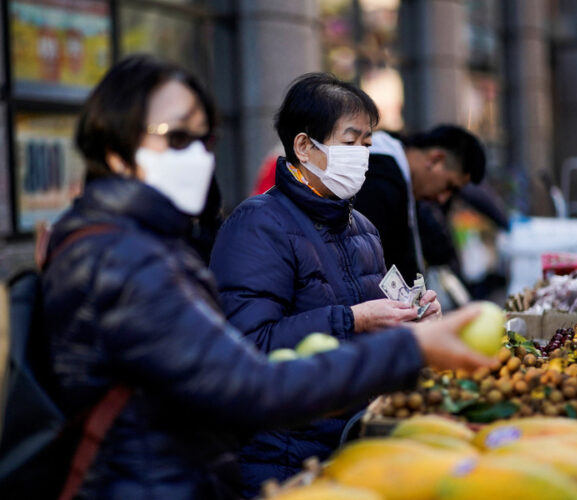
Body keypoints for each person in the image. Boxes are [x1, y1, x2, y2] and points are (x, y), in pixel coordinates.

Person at [41, 55, 494, 499]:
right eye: (176, 137)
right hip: (202, 473)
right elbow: (250, 378)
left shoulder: (155, 244)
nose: (197, 155)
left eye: (204, 138)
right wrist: (401, 344)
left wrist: (407, 318)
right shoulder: (128, 256)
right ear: (114, 149)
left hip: (287, 452)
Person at [209, 73, 443, 494]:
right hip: (282, 455)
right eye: (350, 142)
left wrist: (414, 320)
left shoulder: (363, 227)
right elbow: (246, 345)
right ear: (304, 147)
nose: (362, 155)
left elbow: (374, 332)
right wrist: (350, 320)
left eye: (368, 144)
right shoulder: (258, 225)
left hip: (350, 441)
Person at [354, 126, 486, 283]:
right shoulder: (380, 185)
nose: (443, 199)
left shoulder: (398, 182)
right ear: (435, 159)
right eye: (449, 186)